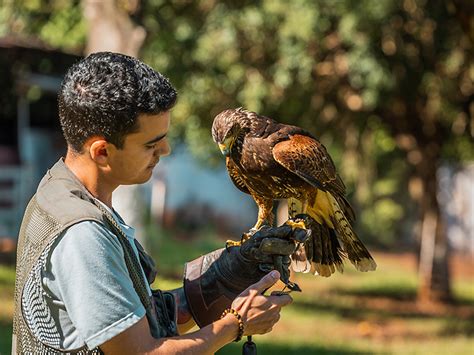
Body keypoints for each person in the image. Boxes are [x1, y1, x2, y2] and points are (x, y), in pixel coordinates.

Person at [12, 52, 305, 354]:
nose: (164, 150)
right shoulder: (82, 235)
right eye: (151, 143)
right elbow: (142, 352)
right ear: (101, 152)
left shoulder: (60, 189)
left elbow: (139, 319)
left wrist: (227, 273)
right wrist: (236, 324)